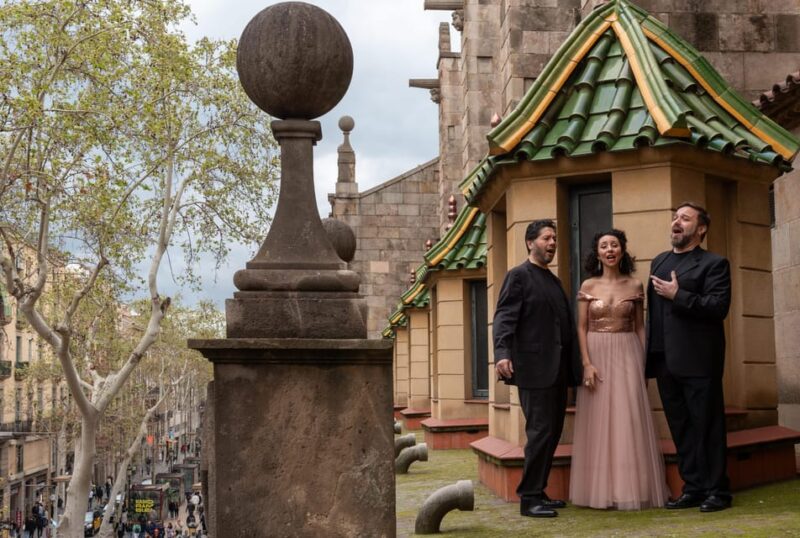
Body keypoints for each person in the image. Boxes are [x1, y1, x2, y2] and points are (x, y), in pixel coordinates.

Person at [569, 229, 670, 509]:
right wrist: (586, 364)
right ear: (597, 253)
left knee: (628, 418)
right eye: (604, 246)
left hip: (628, 353)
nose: (610, 250)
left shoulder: (636, 285)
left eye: (615, 245)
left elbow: (640, 327)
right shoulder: (588, 285)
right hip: (596, 353)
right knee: (599, 420)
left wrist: (644, 364)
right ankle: (599, 491)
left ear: (622, 251)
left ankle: (630, 489)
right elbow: (581, 327)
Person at [646, 202, 732, 512]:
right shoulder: (659, 262)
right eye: (674, 218)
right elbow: (653, 316)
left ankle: (717, 492)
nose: (676, 223)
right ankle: (693, 488)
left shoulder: (715, 264)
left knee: (706, 426)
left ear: (701, 228)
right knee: (681, 427)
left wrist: (678, 296)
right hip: (665, 361)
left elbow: (717, 308)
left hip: (699, 361)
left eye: (684, 218)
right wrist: (651, 358)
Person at [493, 219, 582, 518]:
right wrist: (502, 352)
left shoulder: (553, 281)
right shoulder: (518, 276)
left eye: (555, 238)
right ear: (531, 243)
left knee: (552, 432)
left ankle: (539, 489)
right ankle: (529, 498)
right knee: (541, 432)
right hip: (534, 368)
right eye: (546, 238)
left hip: (557, 370)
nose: (552, 243)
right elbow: (505, 317)